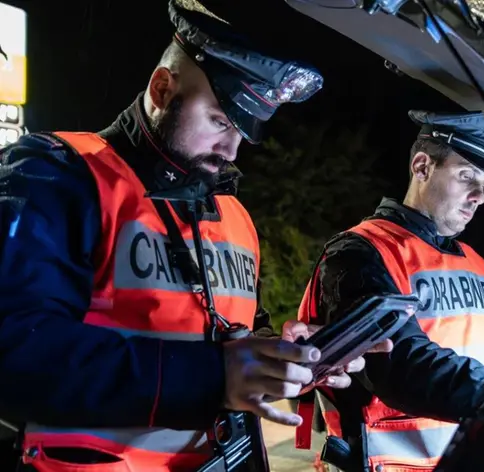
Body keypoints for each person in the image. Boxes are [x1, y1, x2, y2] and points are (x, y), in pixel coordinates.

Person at [0, 2, 390, 471]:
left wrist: (283, 356)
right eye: (220, 121)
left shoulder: (234, 215)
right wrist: (216, 375)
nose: (232, 149)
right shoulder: (58, 175)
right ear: (162, 89)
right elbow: (15, 349)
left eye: (242, 131)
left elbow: (228, 333)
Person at [296, 110, 484, 471]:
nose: (479, 196)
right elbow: (402, 366)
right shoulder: (359, 252)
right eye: (466, 176)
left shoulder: (473, 263)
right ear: (422, 166)